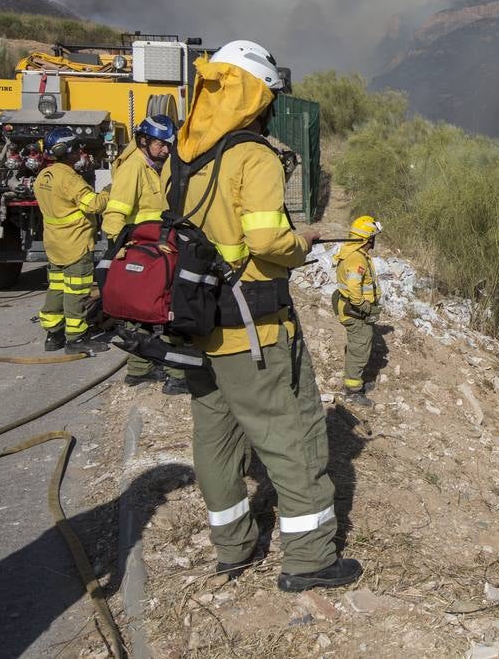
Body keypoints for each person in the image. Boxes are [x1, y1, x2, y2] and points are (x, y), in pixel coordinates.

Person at [163, 39, 361, 592]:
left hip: (196, 324)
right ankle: (310, 559)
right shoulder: (253, 154)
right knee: (291, 435)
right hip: (253, 328)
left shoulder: (184, 154)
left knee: (216, 437)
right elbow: (268, 241)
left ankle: (234, 546)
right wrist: (304, 240)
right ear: (258, 97)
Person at [102, 114, 188, 395]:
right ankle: (175, 375)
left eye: (168, 144)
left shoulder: (155, 167)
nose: (165, 149)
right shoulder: (133, 169)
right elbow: (115, 213)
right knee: (166, 311)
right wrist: (122, 251)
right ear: (143, 141)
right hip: (144, 253)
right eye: (160, 144)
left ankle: (140, 369)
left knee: (144, 312)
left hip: (157, 250)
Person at [34, 127, 110, 354]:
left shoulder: (43, 176)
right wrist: (108, 190)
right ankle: (76, 339)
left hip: (55, 244)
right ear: (66, 151)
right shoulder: (69, 179)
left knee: (56, 287)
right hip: (75, 244)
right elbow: (94, 205)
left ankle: (53, 334)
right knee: (76, 291)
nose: (81, 152)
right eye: (77, 148)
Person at [334, 215, 382, 408]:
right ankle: (352, 391)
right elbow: (355, 288)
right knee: (359, 349)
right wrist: (364, 307)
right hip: (355, 313)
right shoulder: (356, 258)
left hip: (353, 311)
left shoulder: (355, 253)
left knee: (360, 345)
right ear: (368, 238)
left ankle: (357, 382)